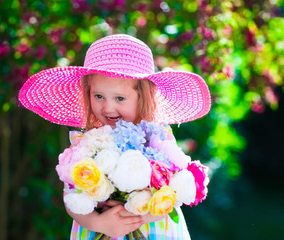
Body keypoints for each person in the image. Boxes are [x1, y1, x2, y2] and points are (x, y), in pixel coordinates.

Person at [18, 34, 211, 239]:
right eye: (98, 96)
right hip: (101, 230)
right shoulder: (88, 143)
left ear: (143, 97)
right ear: (88, 93)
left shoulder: (157, 137)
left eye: (120, 98)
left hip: (153, 230)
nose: (108, 107)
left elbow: (177, 191)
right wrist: (98, 223)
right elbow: (71, 198)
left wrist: (140, 217)